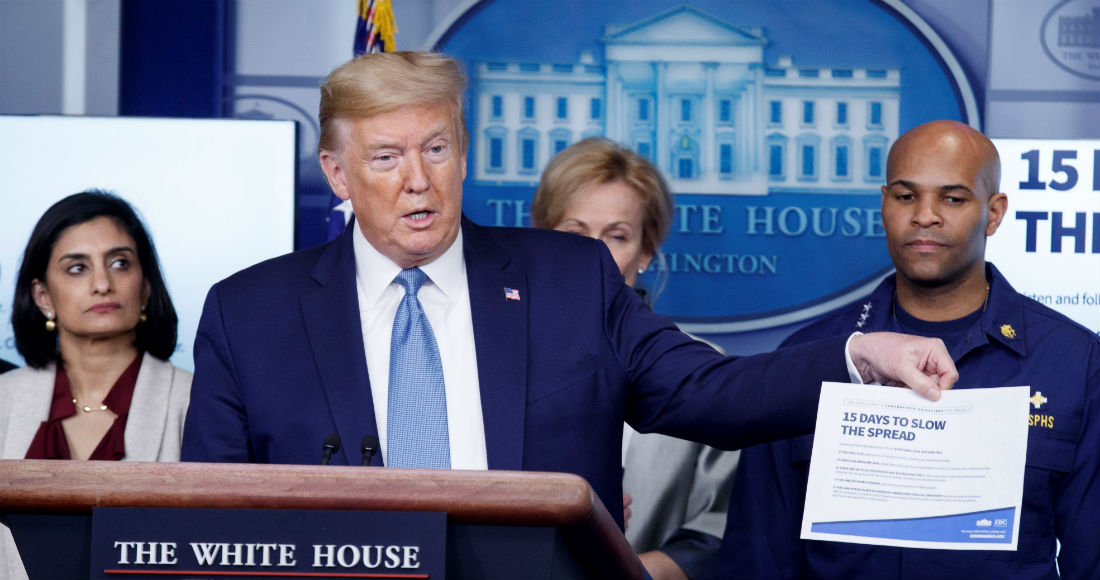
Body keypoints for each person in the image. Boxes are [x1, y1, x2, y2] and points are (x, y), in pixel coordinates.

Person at [180, 51, 957, 532]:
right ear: (338, 173)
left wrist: (861, 356)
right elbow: (206, 518)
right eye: (386, 157)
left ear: (465, 152)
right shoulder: (251, 314)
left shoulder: (569, 280)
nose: (418, 180)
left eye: (437, 149)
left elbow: (713, 390)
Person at [716, 120, 1099, 579]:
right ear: (883, 204)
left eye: (952, 198)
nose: (925, 215)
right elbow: (758, 558)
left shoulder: (1074, 362)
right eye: (905, 196)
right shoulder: (809, 357)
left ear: (994, 213)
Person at [532, 137, 736, 580]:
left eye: (617, 235)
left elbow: (725, 524)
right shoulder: (492, 363)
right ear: (542, 240)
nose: (595, 254)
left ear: (646, 251)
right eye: (575, 232)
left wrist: (629, 573)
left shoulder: (698, 370)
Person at [0, 190, 193, 578]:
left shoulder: (195, 401)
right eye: (77, 268)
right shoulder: (4, 400)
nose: (102, 284)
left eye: (120, 263)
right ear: (42, 297)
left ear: (147, 287)